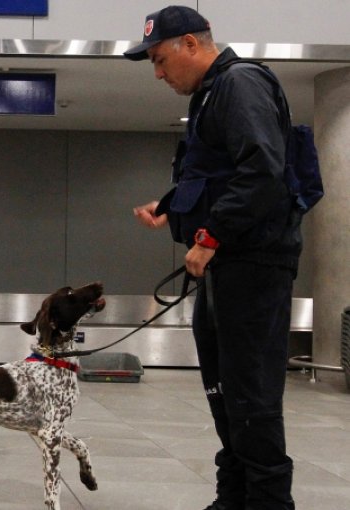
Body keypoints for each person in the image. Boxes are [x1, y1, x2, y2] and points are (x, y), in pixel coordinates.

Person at [126, 6, 298, 510]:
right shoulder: (211, 94)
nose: (158, 73)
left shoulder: (239, 83)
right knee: (223, 390)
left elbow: (262, 169)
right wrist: (170, 205)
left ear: (192, 45)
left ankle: (268, 502)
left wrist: (209, 238)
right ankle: (235, 498)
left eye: (160, 60)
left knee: (250, 394)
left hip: (252, 264)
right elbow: (218, 173)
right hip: (227, 266)